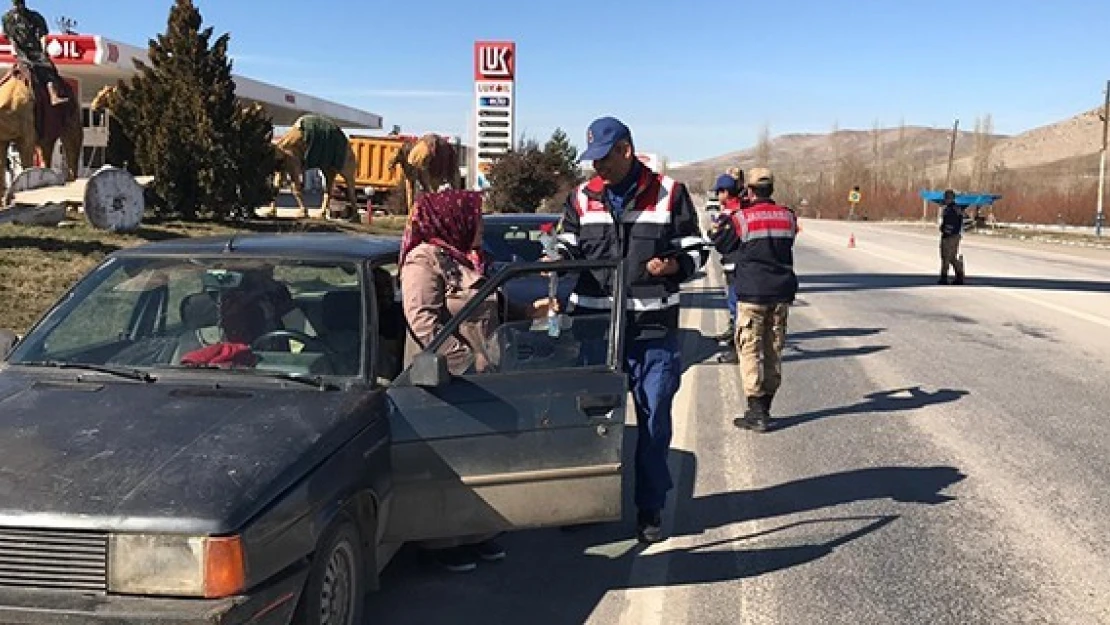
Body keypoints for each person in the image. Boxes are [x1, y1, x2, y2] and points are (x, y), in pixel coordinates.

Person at [553, 116, 707, 544]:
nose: (595, 168)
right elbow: (567, 242)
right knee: (590, 422)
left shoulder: (670, 194)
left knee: (654, 419)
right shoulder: (582, 197)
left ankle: (650, 508)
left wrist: (675, 265)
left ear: (625, 150)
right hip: (595, 330)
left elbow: (696, 250)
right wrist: (557, 258)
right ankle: (588, 502)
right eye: (591, 160)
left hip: (651, 331)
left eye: (602, 159)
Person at [399, 189, 551, 572]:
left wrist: (532, 311)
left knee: (480, 456)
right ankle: (441, 543)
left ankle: (476, 534)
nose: (482, 225)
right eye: (477, 218)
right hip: (443, 380)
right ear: (456, 220)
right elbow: (423, 322)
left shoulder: (468, 259)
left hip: (482, 378)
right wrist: (466, 361)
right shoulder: (424, 261)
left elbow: (492, 307)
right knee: (447, 460)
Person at [710, 167, 797, 433]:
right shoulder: (788, 216)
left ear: (748, 189)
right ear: (771, 189)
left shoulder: (741, 218)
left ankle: (756, 411)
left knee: (750, 349)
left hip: (752, 292)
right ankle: (766, 406)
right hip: (781, 291)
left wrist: (716, 229)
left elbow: (723, 244)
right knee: (773, 348)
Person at [2, 0, 69, 105]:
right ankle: (52, 95)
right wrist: (15, 49)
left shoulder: (35, 17)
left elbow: (42, 36)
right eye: (15, 4)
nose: (17, 6)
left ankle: (53, 95)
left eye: (18, 3)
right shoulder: (7, 18)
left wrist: (44, 50)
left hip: (36, 50)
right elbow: (10, 37)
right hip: (22, 52)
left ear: (23, 3)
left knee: (47, 67)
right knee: (42, 68)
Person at [713, 172, 747, 364]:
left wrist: (713, 231)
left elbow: (719, 241)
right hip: (744, 265)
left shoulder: (729, 214)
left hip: (734, 265)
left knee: (736, 308)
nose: (718, 196)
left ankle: (737, 350)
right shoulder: (744, 209)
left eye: (719, 192)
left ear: (726, 192)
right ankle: (735, 338)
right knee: (739, 308)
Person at [938, 189, 966, 285]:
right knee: (945, 256)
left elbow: (954, 223)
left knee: (949, 257)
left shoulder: (954, 209)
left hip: (952, 236)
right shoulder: (948, 209)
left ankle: (957, 275)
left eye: (947, 198)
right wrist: (942, 228)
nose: (945, 200)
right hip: (948, 235)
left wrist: (946, 230)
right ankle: (946, 276)